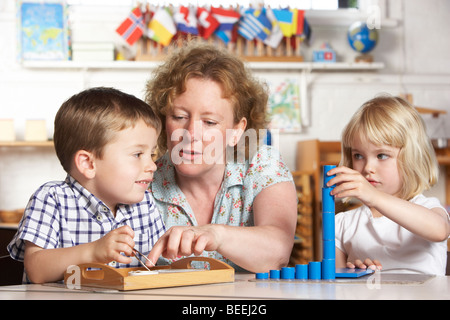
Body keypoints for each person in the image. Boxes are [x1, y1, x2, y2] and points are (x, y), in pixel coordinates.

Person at [144, 42, 298, 272]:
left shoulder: (263, 165)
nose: (191, 134)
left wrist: (215, 234)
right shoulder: (144, 176)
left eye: (209, 122)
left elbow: (278, 253)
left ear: (236, 130)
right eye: (178, 116)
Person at [8, 87, 165, 283]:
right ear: (88, 163)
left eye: (152, 154)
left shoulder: (145, 204)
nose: (152, 165)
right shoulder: (52, 199)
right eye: (137, 155)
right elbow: (37, 270)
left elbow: (159, 267)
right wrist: (93, 251)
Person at [328, 95, 449, 275]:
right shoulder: (342, 224)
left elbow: (440, 231)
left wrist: (375, 197)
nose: (368, 168)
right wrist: (355, 275)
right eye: (358, 156)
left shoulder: (428, 208)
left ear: (412, 158)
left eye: (382, 155)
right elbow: (335, 287)